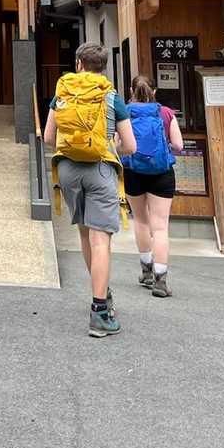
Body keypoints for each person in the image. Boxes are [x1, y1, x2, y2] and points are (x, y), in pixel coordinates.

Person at [43, 43, 136, 338]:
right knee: (100, 241)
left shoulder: (64, 92)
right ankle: (100, 310)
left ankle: (102, 291)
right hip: (100, 169)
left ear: (79, 63)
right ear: (103, 66)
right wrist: (112, 145)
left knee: (85, 234)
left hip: (68, 170)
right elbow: (130, 146)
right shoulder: (111, 96)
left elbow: (48, 137)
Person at [121, 76, 184, 298]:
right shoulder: (165, 113)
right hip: (162, 173)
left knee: (140, 220)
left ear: (131, 91)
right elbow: (178, 145)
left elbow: (119, 144)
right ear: (154, 91)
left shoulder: (125, 112)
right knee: (160, 227)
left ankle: (146, 271)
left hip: (133, 172)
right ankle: (161, 280)